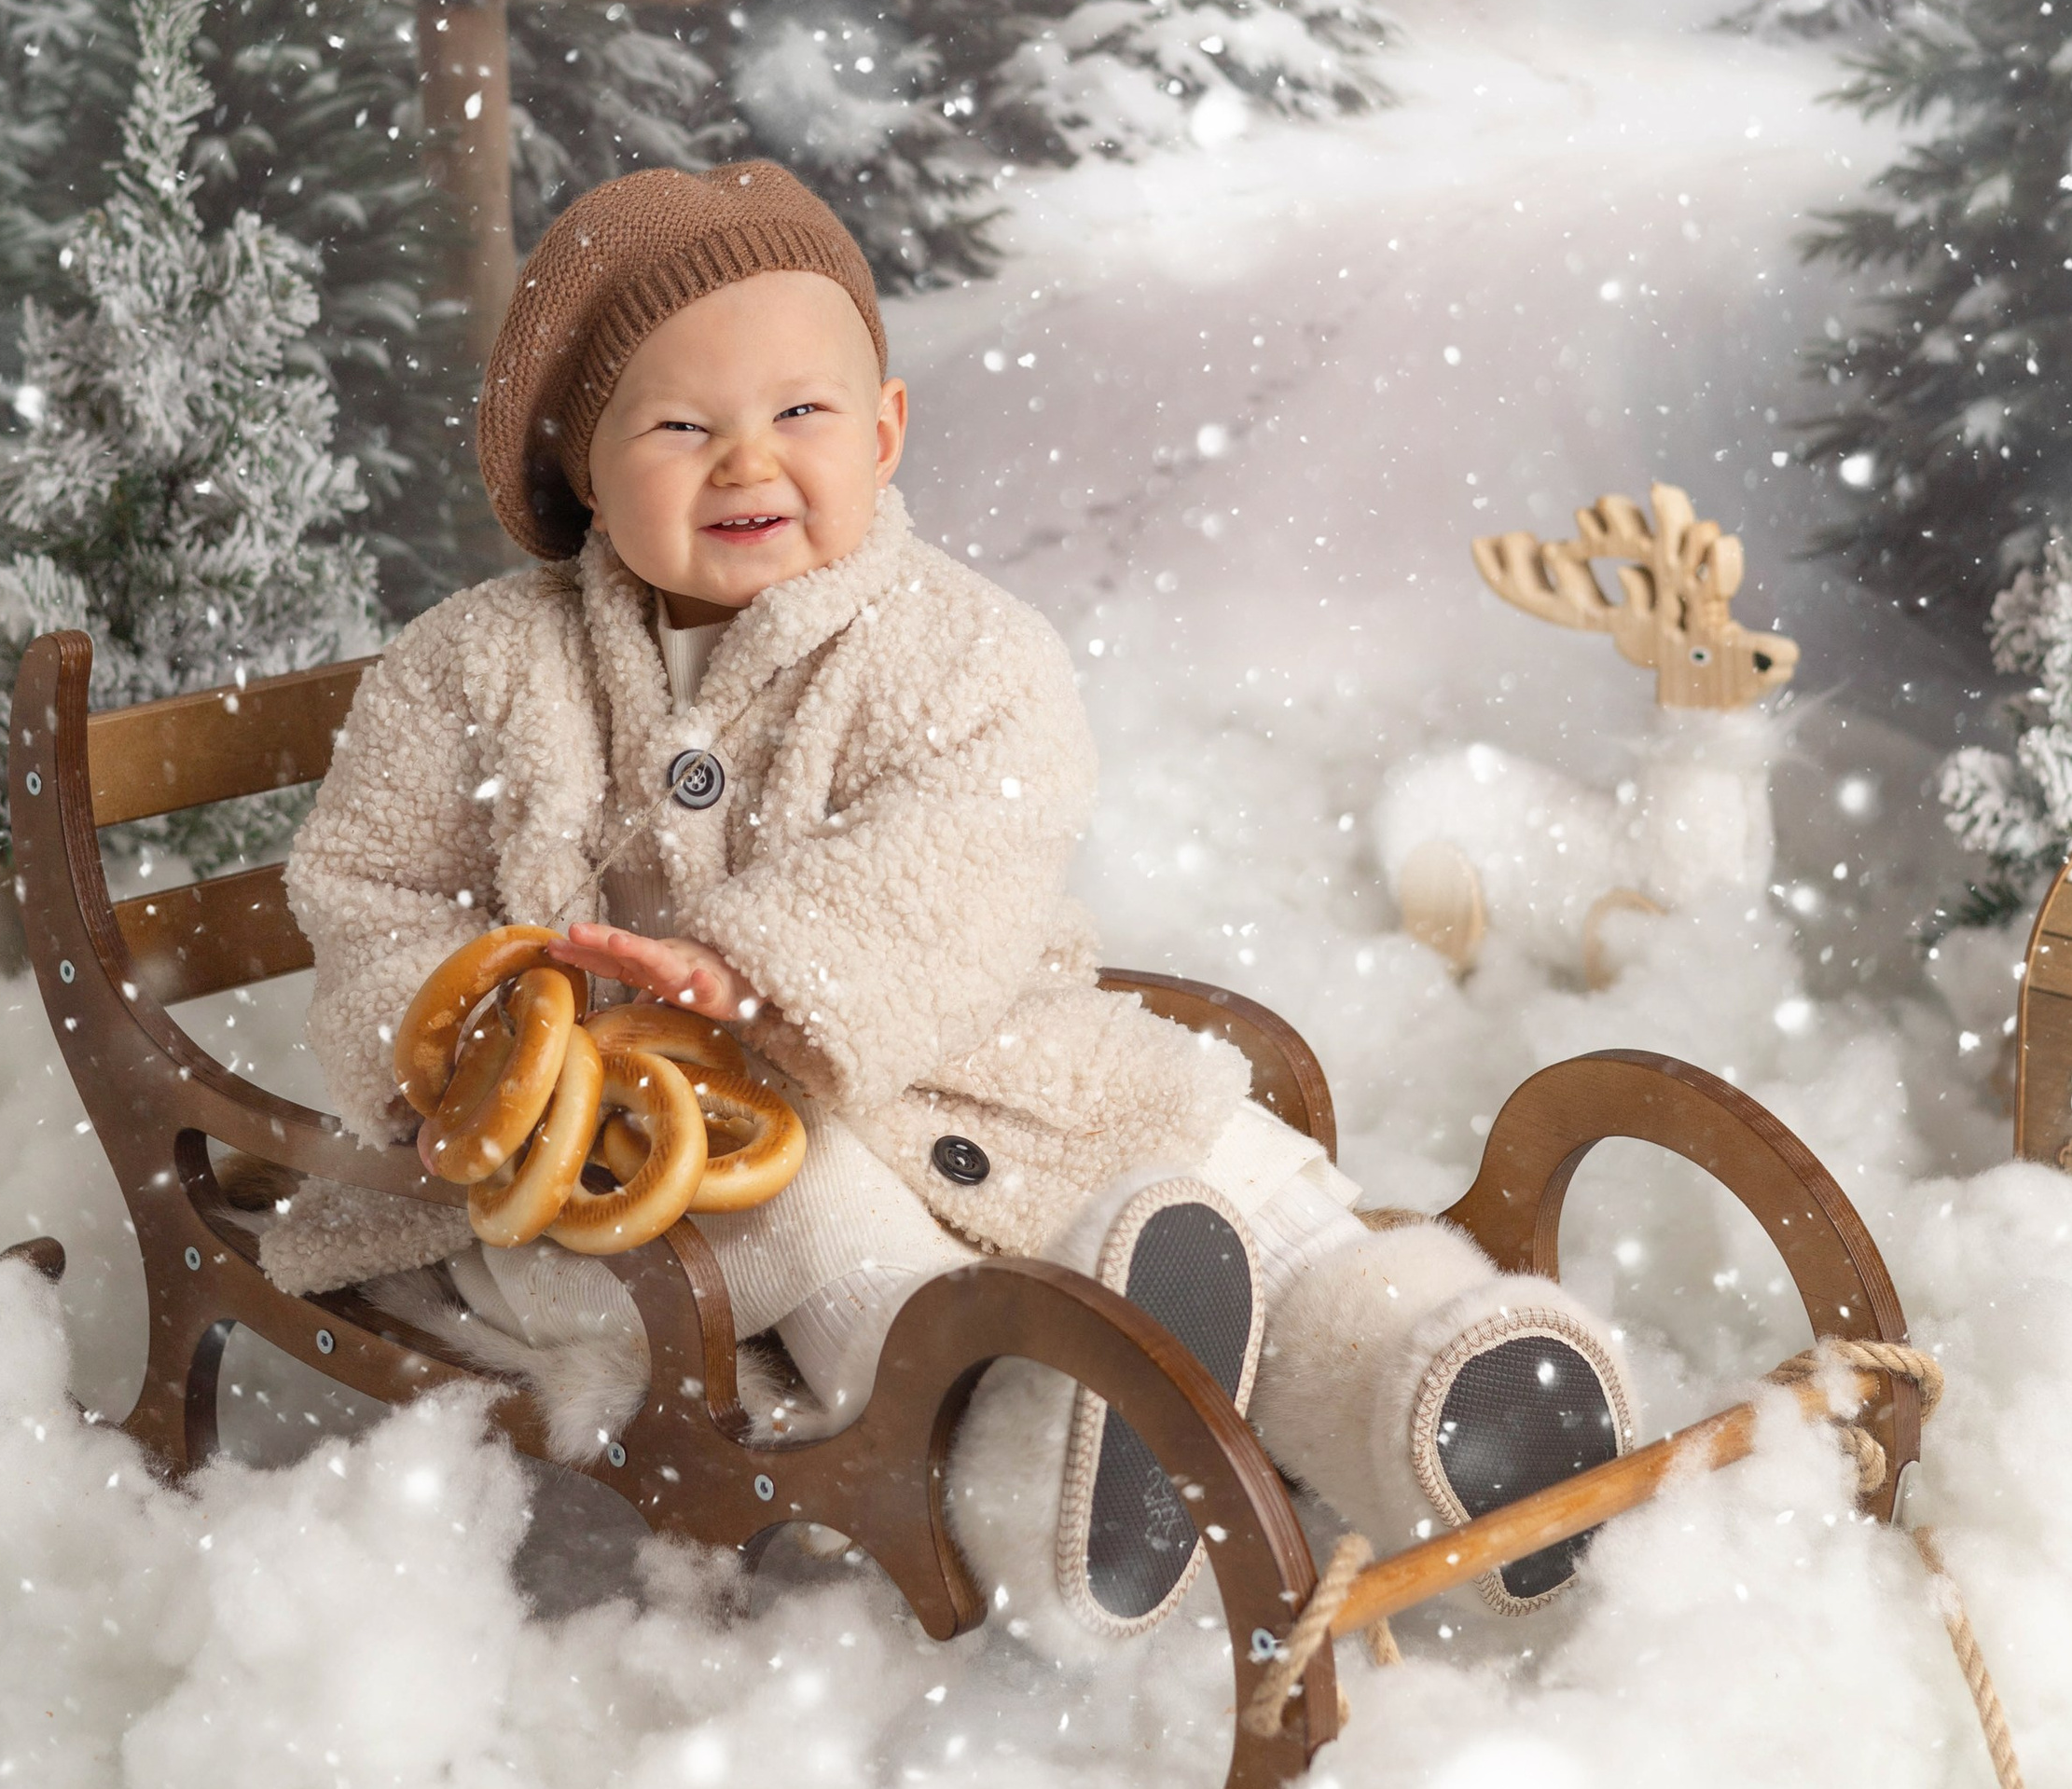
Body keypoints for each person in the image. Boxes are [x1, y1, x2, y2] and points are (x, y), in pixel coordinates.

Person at [266, 160, 1633, 1646]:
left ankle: (1412, 1378)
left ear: (886, 429)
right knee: (820, 1215)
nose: (747, 462)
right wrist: (465, 1038)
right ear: (585, 467)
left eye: (801, 412)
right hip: (645, 1148)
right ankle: (1022, 1460)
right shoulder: (473, 667)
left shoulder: (966, 653)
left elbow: (965, 847)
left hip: (976, 1054)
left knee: (1200, 1148)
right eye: (679, 424)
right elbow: (371, 886)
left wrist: (752, 968)